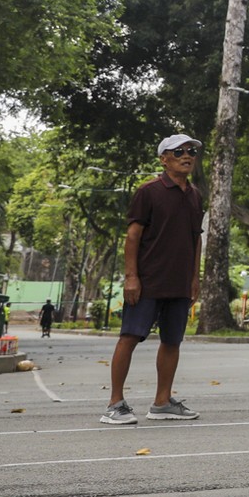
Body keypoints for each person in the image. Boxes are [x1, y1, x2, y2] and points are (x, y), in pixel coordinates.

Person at [102, 134, 206, 424]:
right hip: (148, 280)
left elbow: (195, 240)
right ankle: (115, 404)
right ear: (163, 159)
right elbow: (133, 236)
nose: (187, 156)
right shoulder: (149, 191)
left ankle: (162, 402)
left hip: (180, 282)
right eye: (178, 152)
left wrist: (194, 278)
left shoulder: (195, 195)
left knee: (173, 341)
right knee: (130, 337)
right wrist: (132, 277)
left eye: (191, 151)